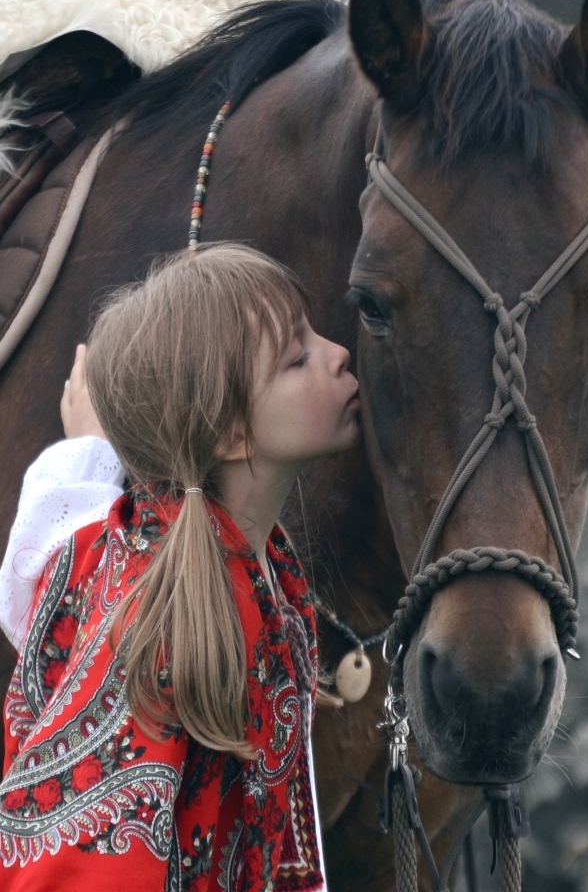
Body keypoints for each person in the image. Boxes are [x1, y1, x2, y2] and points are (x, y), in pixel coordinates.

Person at [0, 244, 360, 892]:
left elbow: (53, 564)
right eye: (296, 358)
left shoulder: (254, 567)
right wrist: (88, 449)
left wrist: (88, 451)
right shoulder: (160, 619)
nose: (337, 355)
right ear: (230, 436)